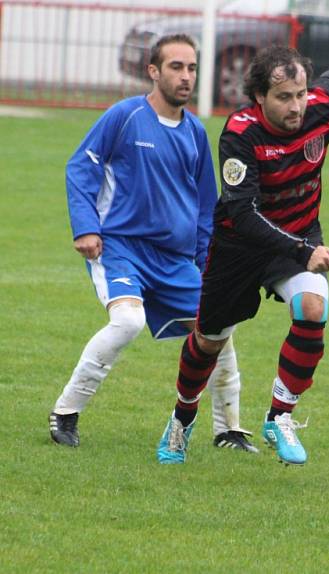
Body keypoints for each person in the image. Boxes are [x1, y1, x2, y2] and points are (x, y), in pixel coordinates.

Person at [156, 45, 329, 465]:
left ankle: (279, 417)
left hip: (299, 235)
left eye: (300, 94)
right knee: (209, 341)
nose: (296, 106)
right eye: (284, 97)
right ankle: (182, 419)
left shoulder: (320, 106)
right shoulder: (241, 133)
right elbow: (242, 213)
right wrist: (303, 250)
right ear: (259, 97)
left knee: (313, 308)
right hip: (240, 246)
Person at [50, 34, 258, 453]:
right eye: (176, 67)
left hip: (175, 259)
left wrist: (206, 260)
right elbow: (80, 168)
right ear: (154, 71)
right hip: (122, 248)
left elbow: (205, 206)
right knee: (128, 322)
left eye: (192, 68)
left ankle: (228, 430)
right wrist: (86, 227)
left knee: (217, 328)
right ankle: (66, 411)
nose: (186, 76)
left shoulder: (196, 133)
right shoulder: (124, 117)